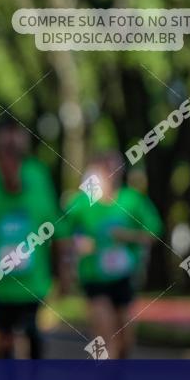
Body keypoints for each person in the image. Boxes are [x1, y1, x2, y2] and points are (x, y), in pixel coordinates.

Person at [0, 121, 64, 359]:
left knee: (32, 333)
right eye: (5, 148)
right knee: (2, 340)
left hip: (33, 282)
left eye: (15, 147)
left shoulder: (38, 174)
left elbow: (56, 228)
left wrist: (61, 273)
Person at [65, 151, 162, 359]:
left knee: (125, 341)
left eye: (114, 168)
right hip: (94, 277)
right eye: (105, 169)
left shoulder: (132, 200)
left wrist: (128, 236)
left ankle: (116, 379)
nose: (110, 174)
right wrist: (77, 243)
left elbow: (154, 233)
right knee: (107, 337)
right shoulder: (82, 203)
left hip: (124, 277)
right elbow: (61, 233)